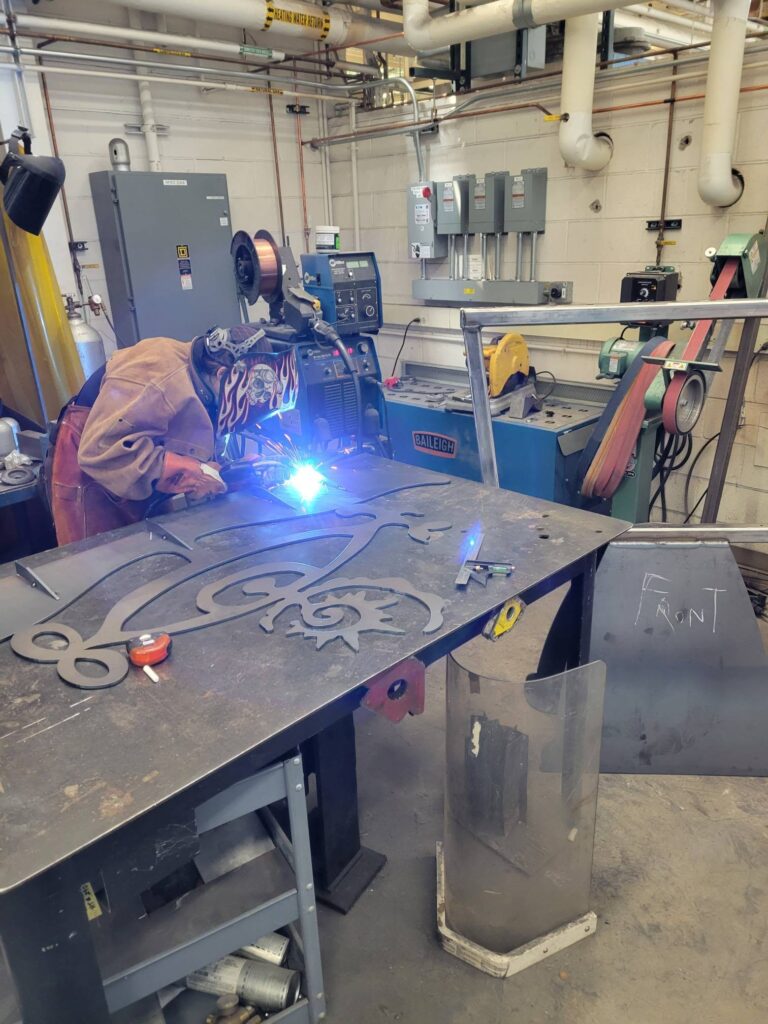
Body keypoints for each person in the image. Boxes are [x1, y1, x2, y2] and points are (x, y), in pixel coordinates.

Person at [47, 324, 271, 545]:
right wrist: (191, 473)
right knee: (99, 567)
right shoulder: (158, 377)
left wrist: (225, 474)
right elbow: (99, 451)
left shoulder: (206, 382)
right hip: (92, 473)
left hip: (137, 480)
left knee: (156, 558)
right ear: (224, 375)